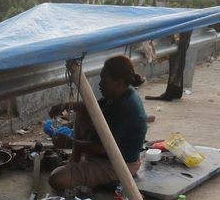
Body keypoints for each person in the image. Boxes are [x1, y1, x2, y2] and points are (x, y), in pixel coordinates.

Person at [47, 55, 148, 191]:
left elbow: (99, 148)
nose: (100, 85)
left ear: (119, 82)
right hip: (103, 152)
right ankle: (75, 161)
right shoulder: (119, 94)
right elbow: (92, 106)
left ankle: (81, 166)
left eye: (104, 81)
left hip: (117, 164)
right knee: (83, 110)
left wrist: (69, 143)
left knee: (57, 179)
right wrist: (66, 104)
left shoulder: (125, 107)